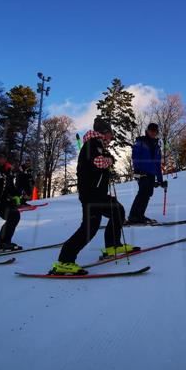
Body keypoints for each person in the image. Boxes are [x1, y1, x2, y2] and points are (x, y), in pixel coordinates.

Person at [51, 117, 140, 275]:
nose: (112, 138)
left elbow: (99, 164)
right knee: (89, 228)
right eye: (111, 134)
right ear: (104, 133)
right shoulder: (93, 144)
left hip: (98, 194)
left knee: (117, 211)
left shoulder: (97, 145)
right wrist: (111, 159)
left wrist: (108, 159)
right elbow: (99, 162)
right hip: (91, 195)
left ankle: (112, 245)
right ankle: (64, 261)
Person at [127, 122, 167, 224]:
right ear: (147, 131)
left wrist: (160, 180)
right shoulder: (141, 142)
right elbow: (135, 157)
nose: (153, 133)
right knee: (143, 193)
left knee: (148, 193)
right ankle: (134, 216)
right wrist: (137, 172)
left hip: (151, 174)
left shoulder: (157, 146)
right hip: (141, 172)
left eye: (155, 131)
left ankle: (139, 215)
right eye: (151, 131)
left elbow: (157, 165)